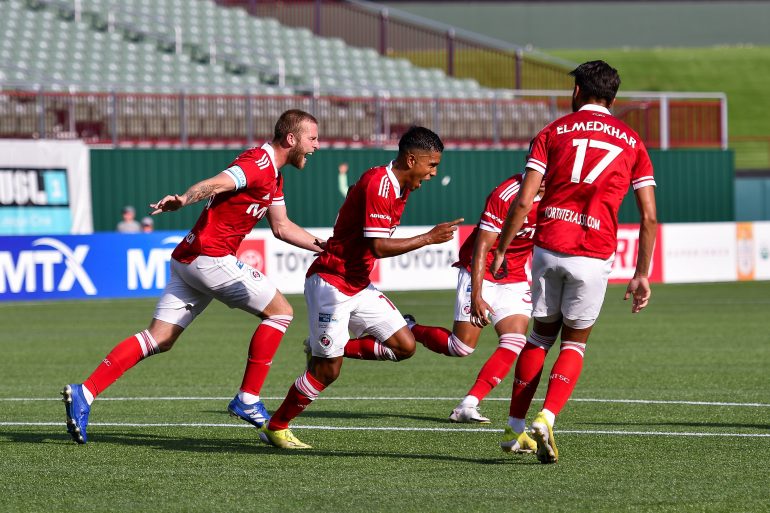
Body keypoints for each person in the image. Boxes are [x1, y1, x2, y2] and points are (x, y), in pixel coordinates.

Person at [62, 109, 324, 444]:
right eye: (312, 138)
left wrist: (327, 247)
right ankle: (247, 399)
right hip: (209, 257)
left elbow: (282, 227)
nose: (316, 146)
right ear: (291, 139)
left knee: (160, 338)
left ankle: (84, 392)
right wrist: (185, 198)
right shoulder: (258, 164)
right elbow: (217, 183)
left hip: (189, 259)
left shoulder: (274, 176)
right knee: (281, 312)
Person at [490, 60, 657, 464]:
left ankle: (515, 428)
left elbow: (525, 199)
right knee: (575, 342)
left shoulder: (551, 132)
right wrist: (641, 274)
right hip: (593, 251)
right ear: (613, 98)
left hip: (548, 245)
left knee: (539, 337)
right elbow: (649, 217)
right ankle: (546, 417)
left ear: (578, 92)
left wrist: (501, 248)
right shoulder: (632, 142)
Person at [258, 126, 463, 449]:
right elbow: (379, 246)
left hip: (357, 283)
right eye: (431, 165)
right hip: (332, 282)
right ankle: (277, 426)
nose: (433, 173)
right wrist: (428, 237)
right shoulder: (381, 184)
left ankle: (322, 347)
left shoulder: (399, 186)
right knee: (327, 372)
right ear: (411, 160)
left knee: (404, 346)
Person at [404, 173, 544, 453]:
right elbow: (482, 246)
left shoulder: (562, 195)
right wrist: (477, 294)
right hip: (480, 270)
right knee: (461, 347)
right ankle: (408, 327)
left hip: (514, 276)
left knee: (515, 341)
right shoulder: (506, 195)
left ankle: (468, 404)